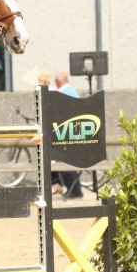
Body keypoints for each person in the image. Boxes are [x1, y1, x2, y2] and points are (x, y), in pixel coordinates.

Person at [51, 70, 83, 198]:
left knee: (64, 161)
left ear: (58, 81)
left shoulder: (60, 93)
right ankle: (67, 187)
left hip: (65, 131)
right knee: (65, 160)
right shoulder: (73, 91)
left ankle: (74, 190)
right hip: (74, 130)